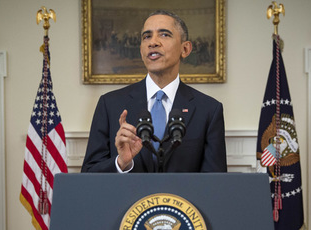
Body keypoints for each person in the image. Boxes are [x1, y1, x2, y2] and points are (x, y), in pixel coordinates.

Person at [81, 10, 227, 173]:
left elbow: (215, 184)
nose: (153, 42)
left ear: (185, 49)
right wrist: (121, 163)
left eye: (164, 35)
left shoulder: (208, 110)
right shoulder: (110, 104)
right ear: (141, 49)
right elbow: (88, 175)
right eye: (146, 36)